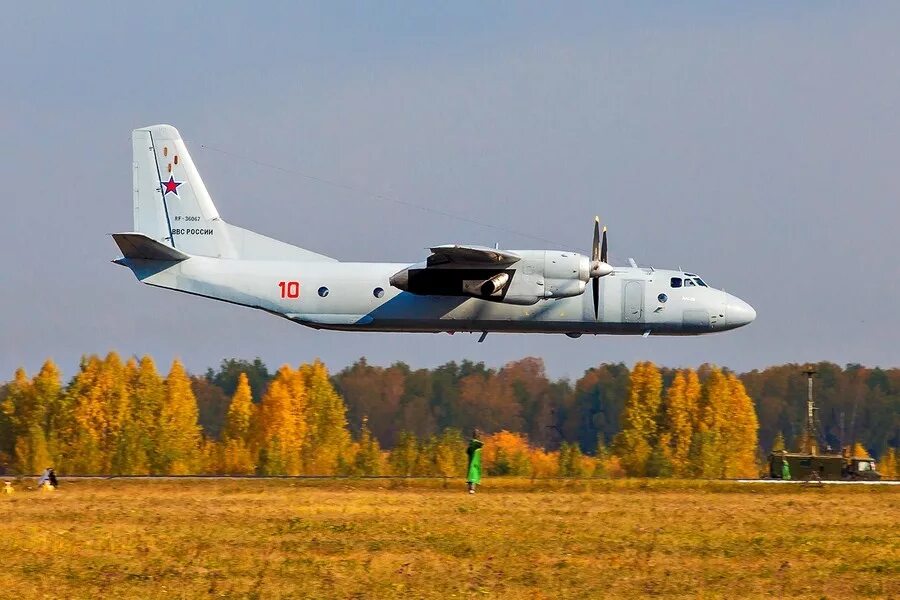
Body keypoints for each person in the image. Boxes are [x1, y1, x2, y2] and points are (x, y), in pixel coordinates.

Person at [466, 429, 483, 494]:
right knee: (473, 475)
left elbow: (467, 451)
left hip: (474, 461)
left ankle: (471, 489)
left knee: (473, 475)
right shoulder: (476, 444)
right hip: (474, 462)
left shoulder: (473, 444)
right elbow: (468, 451)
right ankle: (472, 489)